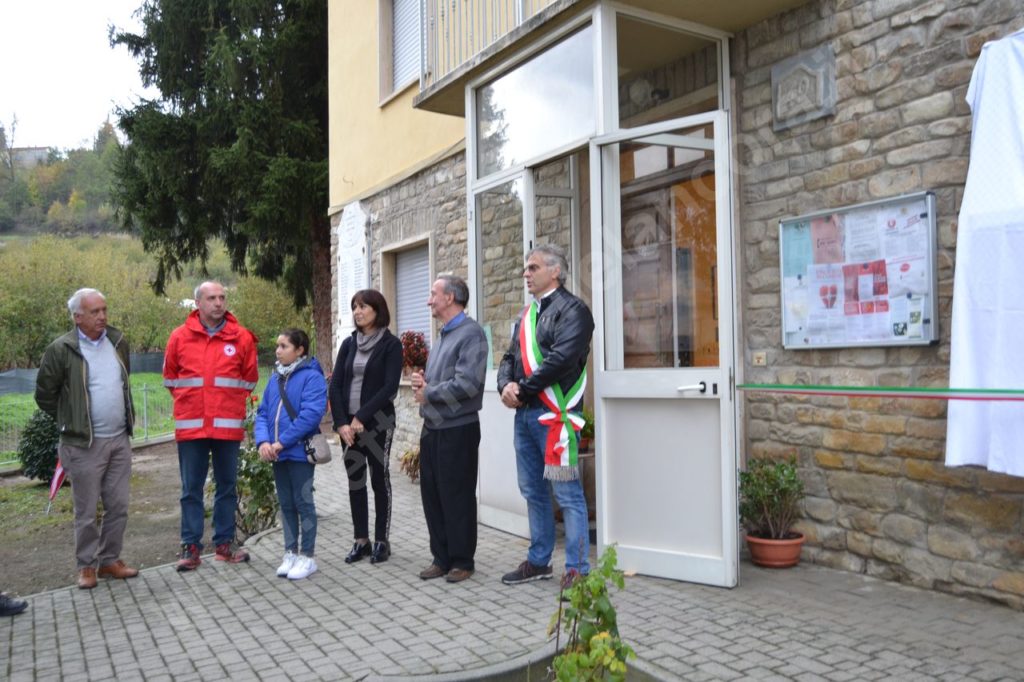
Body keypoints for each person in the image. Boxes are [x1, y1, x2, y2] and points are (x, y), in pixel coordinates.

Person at [497, 244, 595, 589]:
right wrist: (504, 385)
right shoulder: (526, 315)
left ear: (555, 271)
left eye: (533, 267)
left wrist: (521, 389)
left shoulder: (575, 311)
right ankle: (539, 561)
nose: (526, 273)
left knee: (566, 494)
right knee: (532, 491)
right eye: (526, 267)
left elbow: (562, 359)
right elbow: (509, 356)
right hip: (525, 418)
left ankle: (578, 568)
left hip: (556, 418)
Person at [35, 288, 139, 589]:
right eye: (95, 312)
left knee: (118, 505)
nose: (102, 316)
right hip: (83, 445)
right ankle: (86, 566)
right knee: (86, 510)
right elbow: (45, 395)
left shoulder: (117, 342)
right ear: (77, 317)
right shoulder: (60, 349)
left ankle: (109, 561)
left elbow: (122, 383)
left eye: (104, 310)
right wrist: (72, 420)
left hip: (119, 439)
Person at [164, 281, 258, 571]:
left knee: (227, 487)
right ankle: (190, 547)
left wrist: (224, 405)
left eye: (222, 297)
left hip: (227, 427)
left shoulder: (242, 338)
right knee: (190, 489)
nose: (219, 303)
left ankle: (224, 544)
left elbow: (249, 379)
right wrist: (195, 404)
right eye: (212, 298)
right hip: (192, 428)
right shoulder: (179, 337)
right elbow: (170, 380)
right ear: (198, 304)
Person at [411, 275, 488, 584]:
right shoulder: (444, 335)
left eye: (434, 294)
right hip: (433, 427)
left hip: (458, 428)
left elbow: (468, 384)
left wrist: (428, 392)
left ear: (451, 297)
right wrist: (422, 383)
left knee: (456, 494)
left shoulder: (472, 334)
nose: (429, 300)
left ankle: (461, 560)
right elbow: (440, 381)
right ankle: (440, 558)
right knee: (432, 493)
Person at [329, 289, 403, 564]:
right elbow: (335, 385)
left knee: (378, 479)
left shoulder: (391, 344)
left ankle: (382, 540)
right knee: (355, 480)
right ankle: (361, 540)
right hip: (349, 426)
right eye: (355, 307)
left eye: (363, 307)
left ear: (377, 310)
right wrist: (341, 423)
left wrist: (360, 416)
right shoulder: (349, 344)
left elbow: (389, 387)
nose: (358, 312)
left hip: (378, 422)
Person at [254, 328, 327, 580]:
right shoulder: (275, 379)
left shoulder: (312, 377)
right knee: (286, 505)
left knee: (303, 503)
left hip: (297, 453)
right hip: (277, 453)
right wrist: (263, 441)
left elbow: (311, 415)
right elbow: (262, 412)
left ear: (300, 350)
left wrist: (281, 442)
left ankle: (307, 556)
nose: (277, 350)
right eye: (277, 346)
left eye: (284, 346)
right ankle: (290, 552)